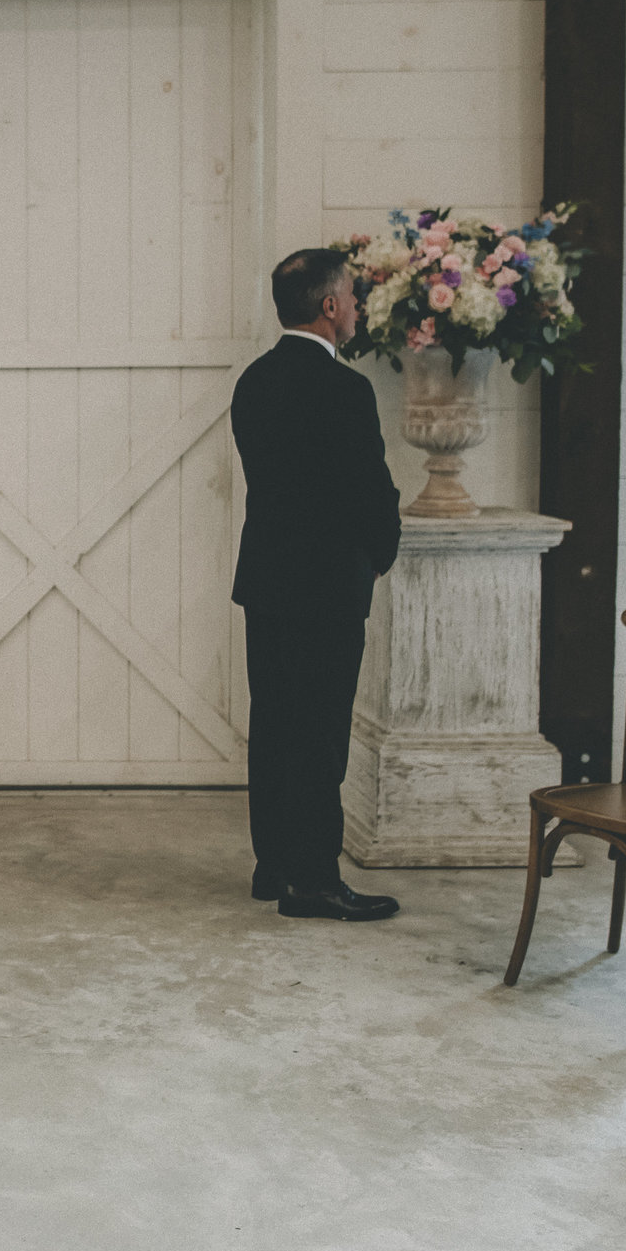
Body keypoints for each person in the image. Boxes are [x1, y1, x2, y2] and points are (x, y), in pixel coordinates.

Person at [229, 250, 403, 921]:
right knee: (320, 732)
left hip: (267, 579)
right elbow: (369, 489)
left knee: (274, 721)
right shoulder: (344, 390)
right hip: (326, 586)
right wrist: (380, 550)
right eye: (352, 296)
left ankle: (273, 862)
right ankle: (315, 879)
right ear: (329, 307)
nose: (357, 307)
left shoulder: (253, 381)